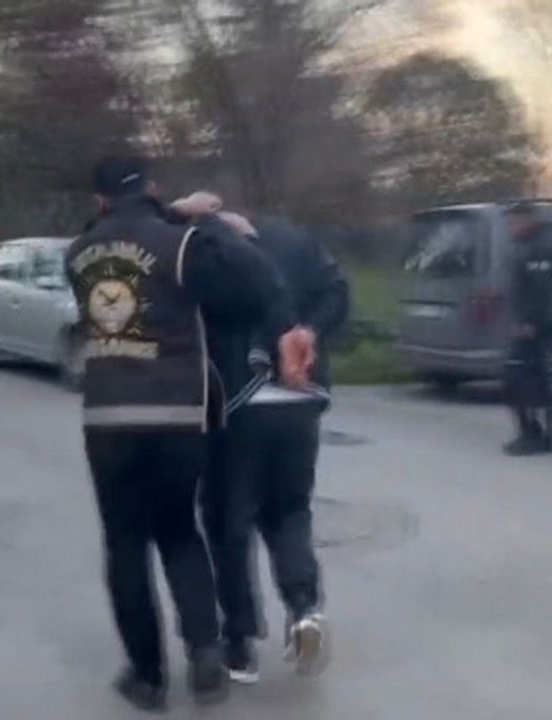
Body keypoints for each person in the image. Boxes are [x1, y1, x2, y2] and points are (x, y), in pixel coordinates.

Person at [65, 158, 313, 712]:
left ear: (99, 199)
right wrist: (211, 223)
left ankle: (147, 677)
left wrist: (162, 214)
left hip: (108, 418)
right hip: (178, 414)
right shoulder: (181, 243)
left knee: (125, 545)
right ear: (152, 189)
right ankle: (205, 654)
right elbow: (255, 279)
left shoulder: (77, 252)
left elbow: (102, 233)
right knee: (180, 533)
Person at [172, 198, 349, 685]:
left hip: (239, 401)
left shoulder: (205, 252)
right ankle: (304, 609)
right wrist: (309, 332)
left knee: (228, 523)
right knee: (289, 511)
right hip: (300, 400)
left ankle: (239, 643)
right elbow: (337, 292)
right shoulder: (296, 240)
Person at [502, 202, 552, 456]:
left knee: (520, 380)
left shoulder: (541, 248)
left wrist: (529, 321)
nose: (511, 227)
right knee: (537, 380)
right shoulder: (524, 246)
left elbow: (541, 288)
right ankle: (543, 434)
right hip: (529, 323)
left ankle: (535, 435)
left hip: (536, 326)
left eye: (515, 222)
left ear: (528, 220)